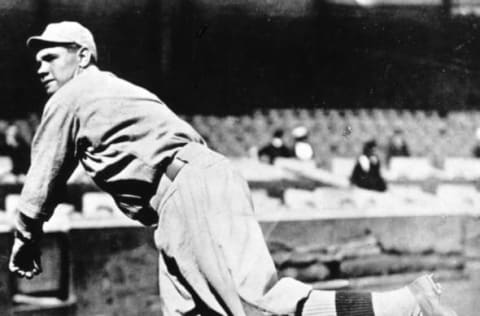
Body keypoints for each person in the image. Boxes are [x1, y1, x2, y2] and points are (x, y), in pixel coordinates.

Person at [9, 21, 457, 316]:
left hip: (183, 190)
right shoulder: (116, 90)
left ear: (82, 55)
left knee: (250, 298)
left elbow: (42, 180)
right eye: (37, 61)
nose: (41, 67)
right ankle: (402, 303)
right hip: (194, 184)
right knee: (190, 309)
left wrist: (26, 240)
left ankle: (402, 306)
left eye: (51, 57)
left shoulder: (73, 94)